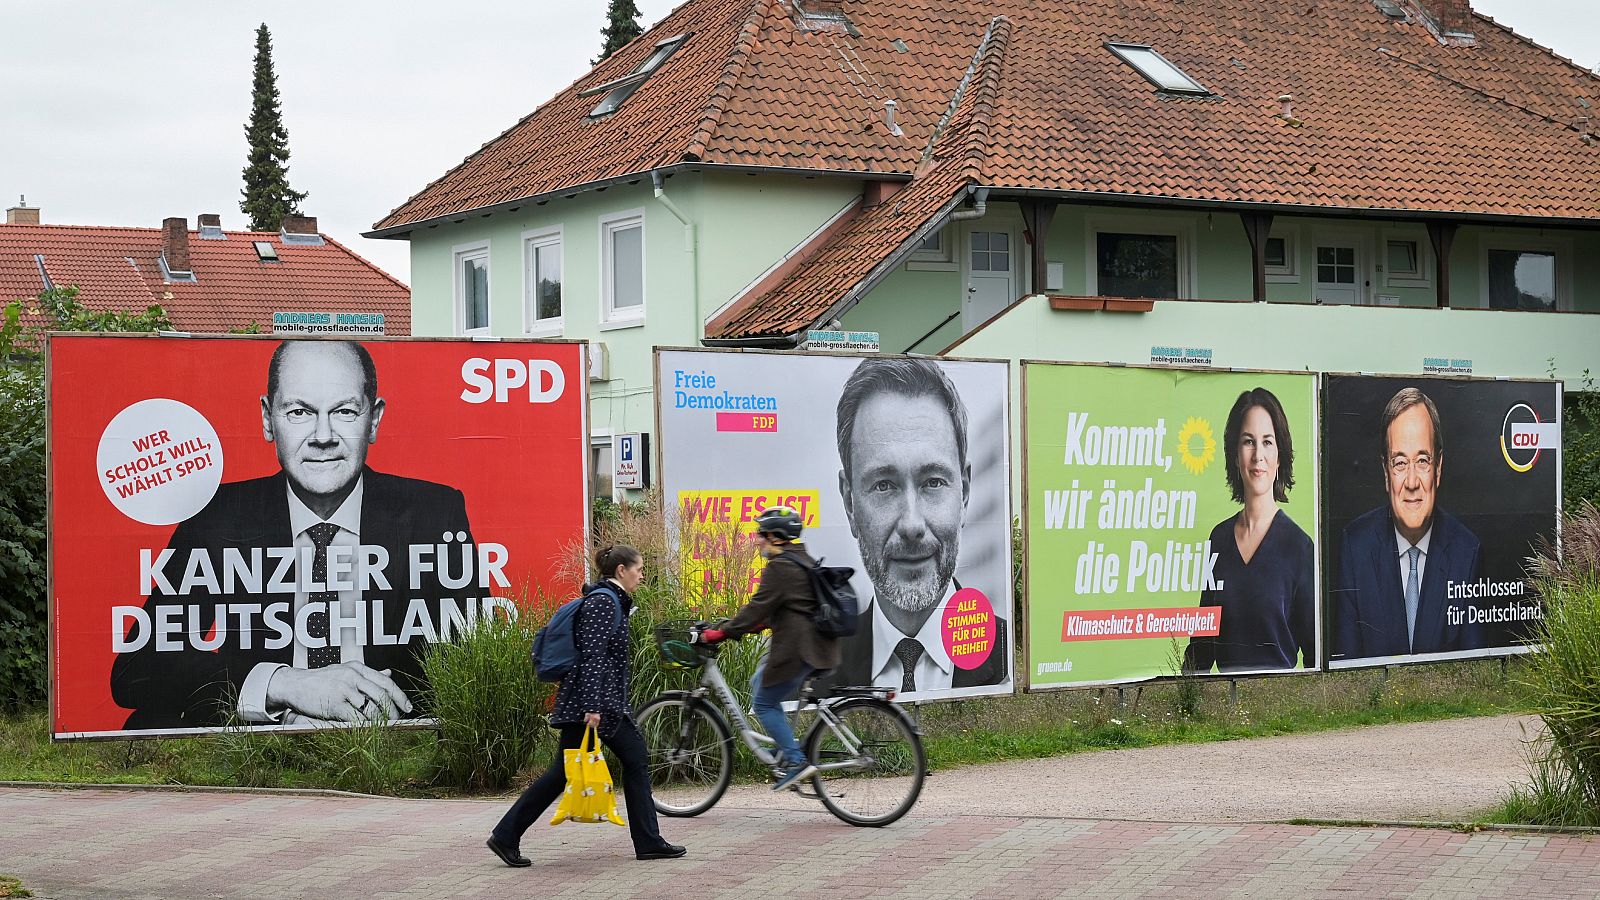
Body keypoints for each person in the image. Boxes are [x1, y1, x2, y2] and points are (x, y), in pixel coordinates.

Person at [110, 339, 475, 729]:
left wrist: (360, 705)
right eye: (299, 411)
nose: (323, 436)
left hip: (386, 746)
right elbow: (136, 672)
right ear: (269, 419)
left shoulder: (434, 512)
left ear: (375, 419)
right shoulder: (217, 516)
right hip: (255, 751)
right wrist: (282, 685)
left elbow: (468, 664)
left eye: (345, 411)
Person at [486, 545, 684, 867]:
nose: (642, 574)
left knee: (568, 771)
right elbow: (593, 657)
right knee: (631, 759)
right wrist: (592, 707)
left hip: (599, 703)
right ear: (621, 570)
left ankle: (506, 836)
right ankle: (648, 841)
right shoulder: (604, 603)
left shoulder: (610, 601)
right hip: (594, 705)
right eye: (639, 568)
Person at [826, 357, 1008, 695]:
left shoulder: (1009, 657)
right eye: (883, 485)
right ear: (850, 503)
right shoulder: (814, 676)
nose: (912, 524)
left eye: (934, 482)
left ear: (964, 493)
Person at [1332, 386, 1485, 661]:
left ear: (1438, 468)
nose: (1412, 482)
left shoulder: (1467, 551)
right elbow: (1346, 666)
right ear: (1385, 472)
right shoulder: (1355, 547)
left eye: (1423, 461)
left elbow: (1474, 671)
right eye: (1400, 463)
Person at [701, 506, 841, 791]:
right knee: (758, 682)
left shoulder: (781, 567)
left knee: (763, 703)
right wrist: (749, 625)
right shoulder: (800, 559)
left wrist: (721, 632)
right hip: (814, 646)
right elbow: (783, 606)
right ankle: (786, 749)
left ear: (777, 537)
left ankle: (794, 761)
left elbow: (757, 608)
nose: (757, 540)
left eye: (762, 535)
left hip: (799, 649)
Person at [1182, 388, 1315, 674]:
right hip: (1222, 704)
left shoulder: (1300, 547)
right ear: (1235, 453)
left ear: (1280, 456)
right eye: (1248, 442)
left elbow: (1315, 653)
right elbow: (1203, 643)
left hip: (1279, 702)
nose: (1258, 456)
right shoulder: (1217, 540)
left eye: (1267, 442)